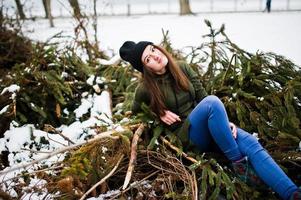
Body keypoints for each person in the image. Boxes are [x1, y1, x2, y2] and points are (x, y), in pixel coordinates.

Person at [119, 41, 301, 200]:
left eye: (153, 49)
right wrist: (158, 113)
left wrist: (225, 122)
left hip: (207, 124)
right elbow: (136, 113)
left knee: (250, 143)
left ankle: (291, 193)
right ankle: (238, 163)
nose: (155, 56)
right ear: (145, 69)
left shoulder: (182, 68)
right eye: (148, 59)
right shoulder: (144, 89)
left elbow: (202, 97)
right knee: (212, 102)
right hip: (187, 136)